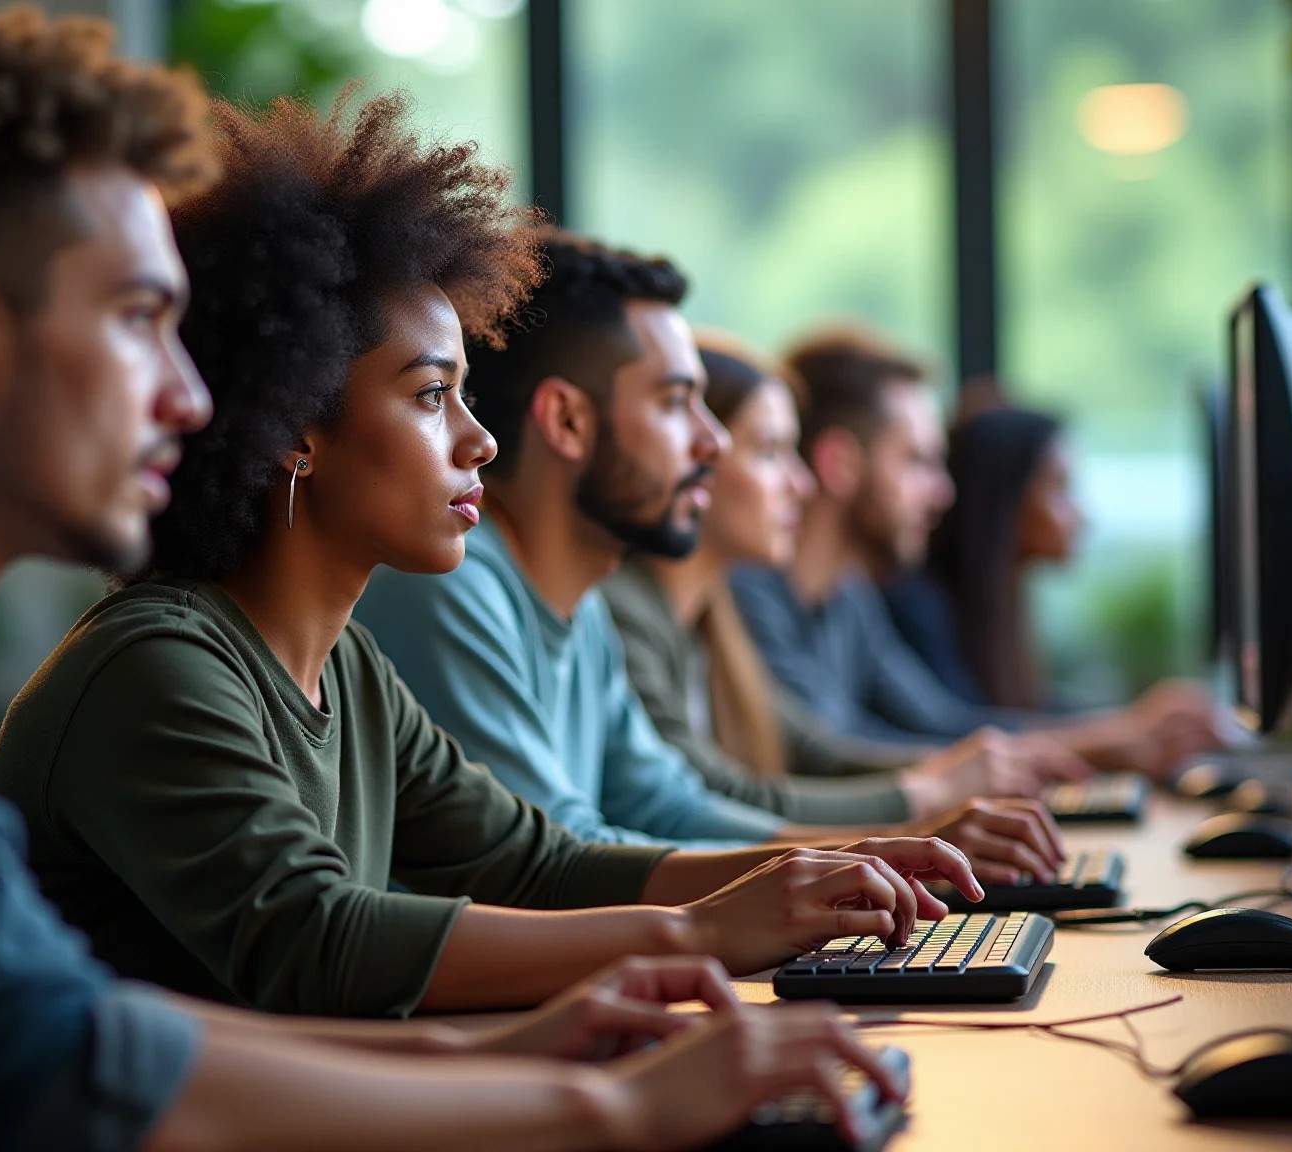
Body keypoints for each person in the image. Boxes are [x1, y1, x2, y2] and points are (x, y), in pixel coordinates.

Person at [0, 10, 901, 1149]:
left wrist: (507, 1061)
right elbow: (48, 1056)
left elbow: (76, 1022)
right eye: (142, 321)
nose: (196, 394)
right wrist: (604, 1104)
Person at [0, 92, 990, 1022]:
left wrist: (810, 873)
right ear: (296, 426)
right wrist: (699, 934)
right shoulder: (158, 667)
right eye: (429, 397)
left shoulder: (348, 672)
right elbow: (312, 939)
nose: (479, 440)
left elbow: (532, 863)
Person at [350, 230, 1068, 877]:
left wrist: (865, 853)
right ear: (567, 421)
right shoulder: (458, 582)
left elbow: (667, 804)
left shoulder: (582, 607)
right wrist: (842, 857)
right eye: (673, 403)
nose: (713, 443)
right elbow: (546, 858)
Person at [601, 331, 1090, 838]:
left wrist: (959, 777)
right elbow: (706, 796)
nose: (801, 483)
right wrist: (925, 799)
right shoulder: (653, 609)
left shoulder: (719, 612)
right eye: (771, 452)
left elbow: (816, 749)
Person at [729, 325, 1223, 779]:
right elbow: (836, 756)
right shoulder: (749, 596)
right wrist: (1113, 740)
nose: (942, 493)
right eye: (916, 461)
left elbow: (942, 723)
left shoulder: (847, 596)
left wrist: (1125, 731)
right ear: (840, 464)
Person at [889, 404, 1082, 710]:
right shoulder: (917, 607)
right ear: (1005, 496)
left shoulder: (1000, 605)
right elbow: (958, 728)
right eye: (1059, 488)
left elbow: (1032, 709)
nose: (1079, 514)